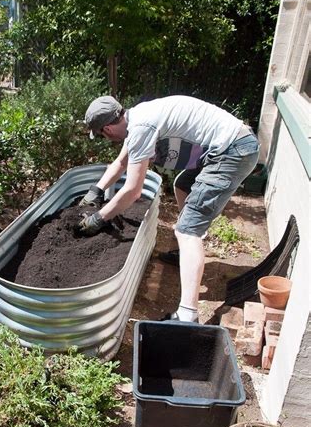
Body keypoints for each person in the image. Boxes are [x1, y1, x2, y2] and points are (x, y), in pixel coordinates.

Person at [77, 95, 259, 323]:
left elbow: (133, 191)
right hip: (228, 144)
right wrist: (96, 190)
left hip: (232, 151)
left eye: (102, 134)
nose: (106, 139)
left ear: (107, 128)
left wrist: (98, 219)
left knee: (186, 231)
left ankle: (187, 315)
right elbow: (121, 163)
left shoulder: (141, 128)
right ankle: (188, 254)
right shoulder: (137, 117)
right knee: (182, 185)